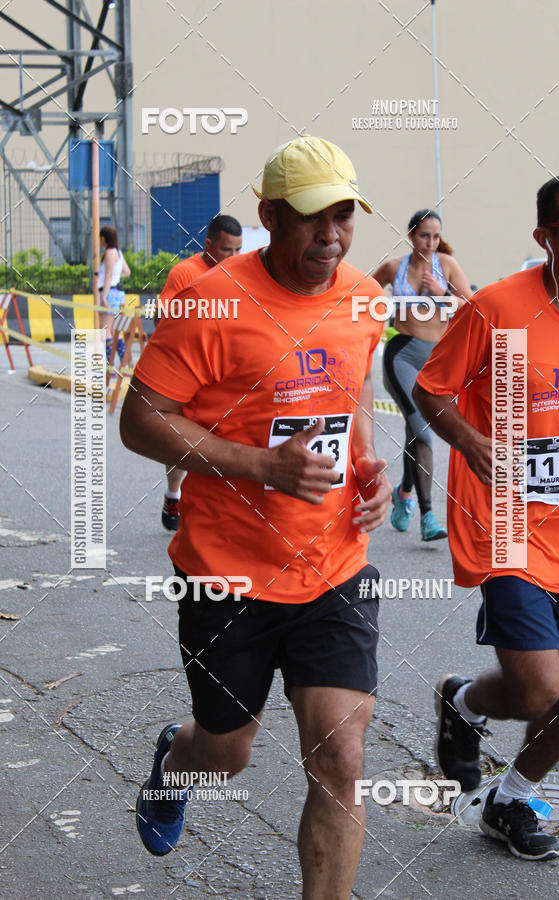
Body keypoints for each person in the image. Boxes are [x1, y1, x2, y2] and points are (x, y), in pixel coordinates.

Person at [120, 135, 392, 898]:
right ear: (269, 215)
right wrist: (262, 466)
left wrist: (368, 467)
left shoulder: (365, 297)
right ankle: (175, 764)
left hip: (334, 562)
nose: (330, 235)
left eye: (343, 215)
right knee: (226, 751)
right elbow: (141, 420)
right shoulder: (212, 302)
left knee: (341, 758)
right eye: (311, 217)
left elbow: (351, 395)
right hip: (226, 571)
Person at [413, 170, 559, 861]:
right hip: (511, 521)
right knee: (538, 686)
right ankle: (468, 705)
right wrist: (472, 443)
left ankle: (510, 798)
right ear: (546, 238)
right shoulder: (497, 307)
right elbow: (433, 390)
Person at [372, 210, 471, 541]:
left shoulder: (446, 266)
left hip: (437, 359)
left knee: (416, 433)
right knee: (423, 433)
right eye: (425, 236)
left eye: (436, 236)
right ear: (412, 235)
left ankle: (403, 493)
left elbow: (472, 306)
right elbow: (361, 298)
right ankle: (428, 515)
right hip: (402, 355)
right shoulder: (394, 267)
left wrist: (442, 294)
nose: (431, 243)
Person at [158, 214, 243, 531]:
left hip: (229, 371)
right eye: (226, 250)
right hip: (191, 369)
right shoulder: (185, 273)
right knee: (184, 439)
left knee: (228, 437)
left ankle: (218, 507)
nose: (233, 258)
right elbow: (163, 318)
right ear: (209, 245)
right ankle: (173, 492)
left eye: (238, 250)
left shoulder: (242, 274)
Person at [96, 225, 130, 362]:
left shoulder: (110, 252)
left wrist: (104, 296)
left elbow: (108, 275)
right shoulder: (118, 252)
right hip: (118, 293)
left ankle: (111, 368)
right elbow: (127, 272)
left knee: (105, 331)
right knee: (116, 331)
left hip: (110, 293)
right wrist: (117, 277)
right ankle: (125, 364)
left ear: (103, 238)